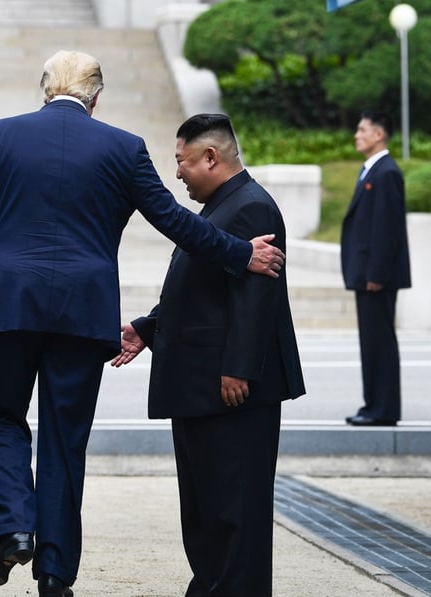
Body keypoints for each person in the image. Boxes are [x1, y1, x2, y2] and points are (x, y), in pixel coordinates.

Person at [0, 50, 286, 596]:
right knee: (64, 440)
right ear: (96, 98)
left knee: (1, 417)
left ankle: (9, 526)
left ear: (45, 89)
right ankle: (54, 574)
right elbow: (173, 220)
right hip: (82, 315)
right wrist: (240, 254)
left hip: (8, 306)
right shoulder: (123, 148)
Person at [112, 114, 306, 596]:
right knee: (205, 504)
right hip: (202, 385)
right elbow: (200, 287)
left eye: (181, 161)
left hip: (230, 388)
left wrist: (238, 368)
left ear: (210, 157)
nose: (177, 172)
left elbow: (255, 296)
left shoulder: (251, 207)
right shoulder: (223, 206)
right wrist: (146, 327)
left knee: (234, 507)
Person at [341, 110, 411, 426]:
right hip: (367, 274)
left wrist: (376, 275)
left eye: (362, 129)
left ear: (379, 134)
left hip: (375, 277)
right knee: (371, 342)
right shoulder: (372, 171)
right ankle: (373, 406)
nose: (357, 135)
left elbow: (387, 228)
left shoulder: (386, 173)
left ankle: (382, 410)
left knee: (379, 342)